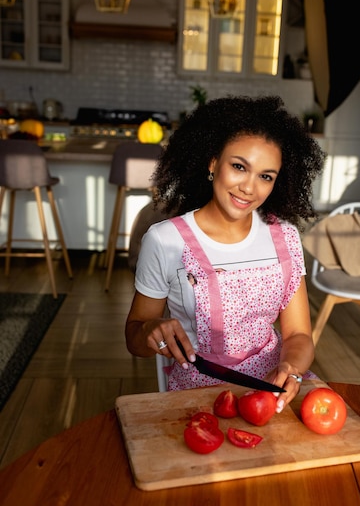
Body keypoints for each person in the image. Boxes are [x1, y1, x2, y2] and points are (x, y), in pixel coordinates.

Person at [125, 95, 325, 411]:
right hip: (199, 398)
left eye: (266, 176)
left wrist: (291, 369)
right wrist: (150, 330)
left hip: (271, 394)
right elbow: (134, 339)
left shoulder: (285, 237)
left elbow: (299, 334)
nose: (249, 187)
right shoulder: (165, 240)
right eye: (238, 167)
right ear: (213, 161)